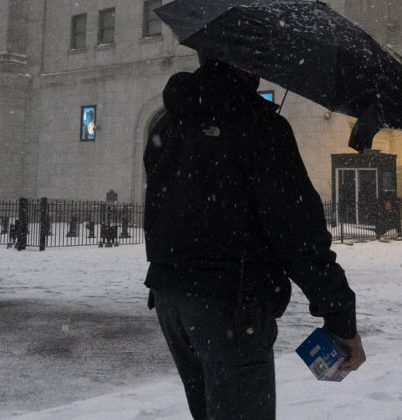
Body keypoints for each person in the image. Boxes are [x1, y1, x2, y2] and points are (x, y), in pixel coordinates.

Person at [143, 54, 365, 419]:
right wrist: (340, 316)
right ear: (247, 62)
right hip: (231, 305)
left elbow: (161, 209)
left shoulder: (168, 125)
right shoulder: (261, 127)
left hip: (171, 300)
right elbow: (298, 234)